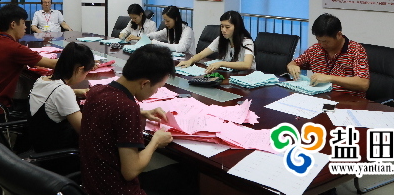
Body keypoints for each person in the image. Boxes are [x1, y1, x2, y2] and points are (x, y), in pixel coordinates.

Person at [80, 44, 198, 195]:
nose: (156, 92)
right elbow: (130, 171)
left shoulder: (96, 91)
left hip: (93, 184)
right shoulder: (128, 108)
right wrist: (156, 141)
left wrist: (142, 113)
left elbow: (109, 114)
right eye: (157, 88)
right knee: (188, 177)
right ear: (144, 83)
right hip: (118, 190)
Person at [0, 4, 58, 117]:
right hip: (0, 109)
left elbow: (6, 63)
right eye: (23, 23)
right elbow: (53, 64)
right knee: (50, 108)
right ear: (13, 24)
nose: (25, 27)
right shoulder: (14, 48)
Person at [28, 42, 94, 154]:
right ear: (79, 69)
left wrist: (76, 92)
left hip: (40, 146)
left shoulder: (42, 80)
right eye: (86, 73)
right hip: (58, 155)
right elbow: (85, 132)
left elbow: (52, 97)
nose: (85, 77)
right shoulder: (62, 91)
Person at [286, 13, 370, 98]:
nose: (322, 44)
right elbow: (294, 63)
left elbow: (363, 83)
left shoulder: (356, 50)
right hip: (319, 97)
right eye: (319, 40)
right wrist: (292, 66)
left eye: (325, 41)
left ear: (339, 35)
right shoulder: (316, 49)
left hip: (347, 100)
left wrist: (330, 78)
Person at [178, 11, 254, 72]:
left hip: (246, 76)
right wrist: (190, 61)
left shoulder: (247, 42)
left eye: (227, 27)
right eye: (222, 26)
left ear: (237, 27)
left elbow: (247, 65)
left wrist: (222, 63)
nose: (223, 30)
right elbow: (201, 54)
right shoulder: (221, 39)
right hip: (231, 74)